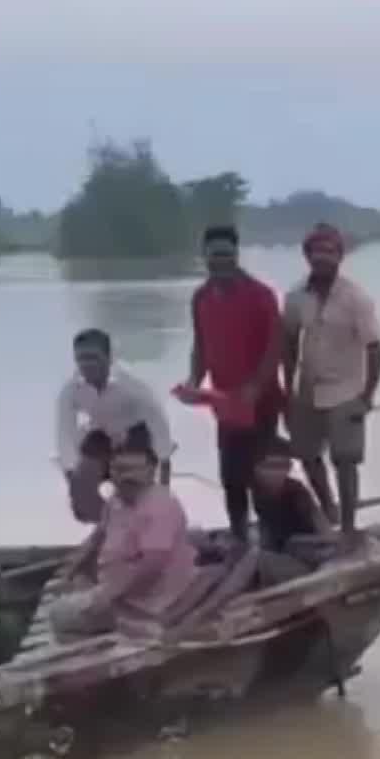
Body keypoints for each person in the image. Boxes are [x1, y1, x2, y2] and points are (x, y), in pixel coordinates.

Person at [48, 425, 200, 645]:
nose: (127, 476)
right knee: (74, 587)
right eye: (119, 470)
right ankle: (109, 628)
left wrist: (110, 595)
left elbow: (152, 566)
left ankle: (126, 628)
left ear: (151, 470)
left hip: (147, 598)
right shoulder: (117, 501)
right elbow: (97, 537)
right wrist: (70, 572)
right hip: (117, 588)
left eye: (134, 469)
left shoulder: (158, 505)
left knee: (57, 616)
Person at [184, 224, 285, 541]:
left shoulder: (261, 295)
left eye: (226, 255)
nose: (220, 262)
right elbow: (201, 346)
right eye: (214, 255)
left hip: (262, 401)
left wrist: (255, 388)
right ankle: (240, 537)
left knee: (263, 474)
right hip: (225, 404)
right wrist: (193, 380)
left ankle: (273, 535)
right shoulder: (200, 298)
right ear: (205, 256)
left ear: (236, 255)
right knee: (231, 475)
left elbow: (275, 350)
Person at [284, 223, 380, 537]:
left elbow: (375, 348)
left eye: (329, 252)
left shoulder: (356, 298)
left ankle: (350, 528)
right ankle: (329, 507)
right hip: (309, 389)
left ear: (340, 257)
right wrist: (288, 388)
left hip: (347, 389)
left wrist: (367, 396)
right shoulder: (296, 296)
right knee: (306, 454)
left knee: (345, 460)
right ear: (307, 256)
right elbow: (287, 342)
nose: (322, 258)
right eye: (316, 252)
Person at [56, 328, 174, 524]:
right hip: (101, 435)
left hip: (136, 435)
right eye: (81, 358)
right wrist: (73, 478)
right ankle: (118, 529)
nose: (87, 364)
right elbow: (64, 431)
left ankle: (133, 526)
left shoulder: (130, 383)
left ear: (109, 357)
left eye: (93, 357)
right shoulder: (72, 389)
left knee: (132, 495)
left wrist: (164, 470)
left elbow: (157, 420)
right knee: (80, 504)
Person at [252, 436, 331, 554]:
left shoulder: (295, 491)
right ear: (256, 469)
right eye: (267, 466)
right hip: (282, 550)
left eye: (279, 466)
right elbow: (267, 529)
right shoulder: (259, 492)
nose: (273, 473)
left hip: (307, 548)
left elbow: (319, 524)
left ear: (288, 467)